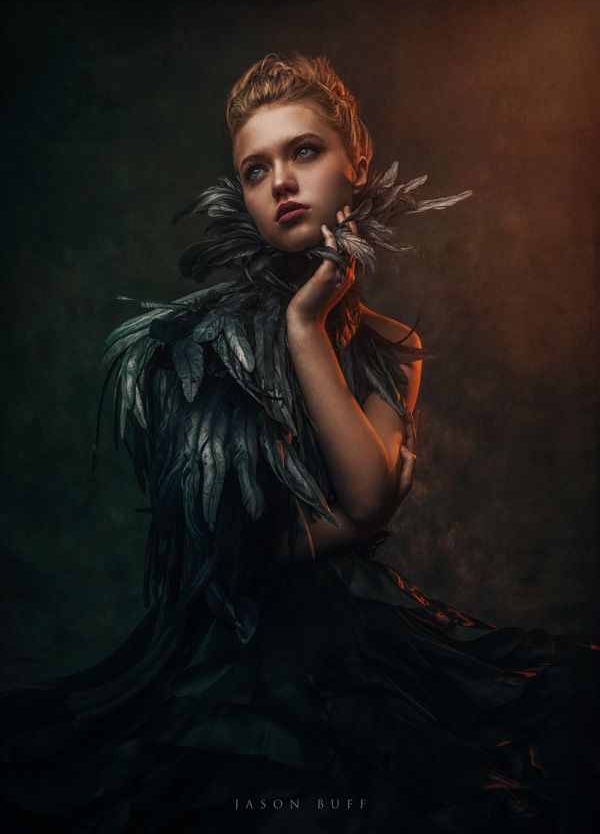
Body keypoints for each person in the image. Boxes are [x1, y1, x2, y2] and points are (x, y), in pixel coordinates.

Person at [1, 53, 598, 834]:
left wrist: (307, 328)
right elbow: (234, 556)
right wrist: (344, 520)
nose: (279, 181)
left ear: (357, 165)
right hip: (231, 666)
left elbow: (364, 502)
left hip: (360, 643)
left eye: (303, 152)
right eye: (256, 169)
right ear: (243, 198)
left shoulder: (397, 346)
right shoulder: (198, 346)